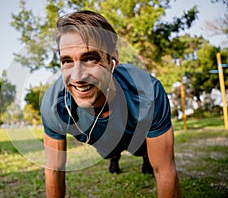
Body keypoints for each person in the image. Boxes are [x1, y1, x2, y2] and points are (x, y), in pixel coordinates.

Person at [40, 10, 181, 197]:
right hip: (104, 142)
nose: (77, 76)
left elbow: (165, 170)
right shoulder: (54, 104)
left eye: (90, 58)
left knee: (145, 150)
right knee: (109, 150)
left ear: (112, 60)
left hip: (136, 135)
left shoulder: (147, 92)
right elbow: (54, 170)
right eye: (67, 61)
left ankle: (146, 157)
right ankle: (114, 157)